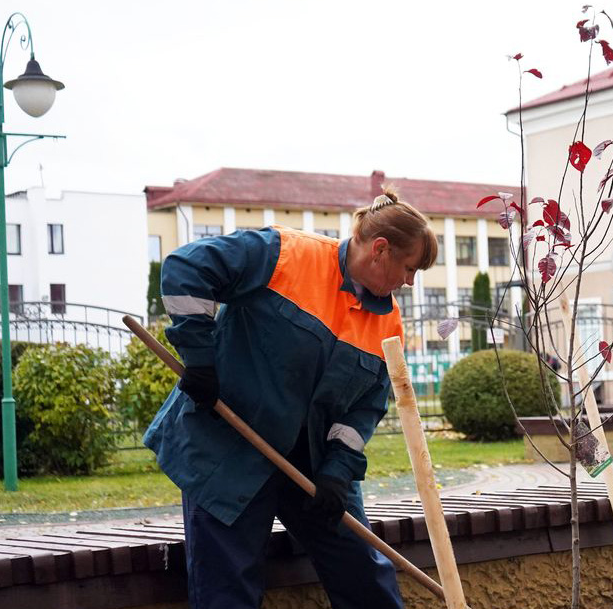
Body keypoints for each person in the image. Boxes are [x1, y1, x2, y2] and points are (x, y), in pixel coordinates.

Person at [144, 189, 437, 609]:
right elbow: (185, 268)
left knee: (366, 578)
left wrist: (337, 471)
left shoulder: (387, 321)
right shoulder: (285, 255)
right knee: (228, 591)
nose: (409, 282)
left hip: (312, 466)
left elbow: (366, 408)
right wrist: (200, 358)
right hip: (229, 447)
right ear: (380, 249)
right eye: (409, 268)